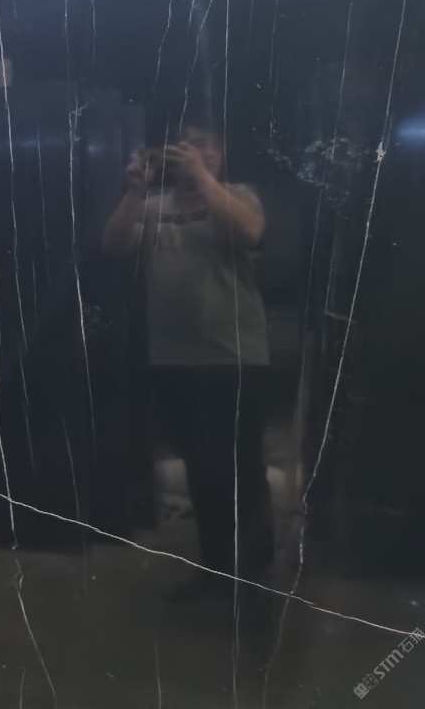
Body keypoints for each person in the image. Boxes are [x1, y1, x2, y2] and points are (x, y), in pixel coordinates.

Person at [103, 123, 274, 595]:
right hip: (174, 356)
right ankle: (216, 569)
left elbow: (249, 232)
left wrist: (201, 178)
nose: (195, 153)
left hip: (236, 353)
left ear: (219, 155)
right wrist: (135, 191)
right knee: (201, 466)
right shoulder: (153, 207)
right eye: (186, 146)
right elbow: (114, 245)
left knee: (244, 463)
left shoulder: (239, 195)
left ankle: (257, 569)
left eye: (204, 146)